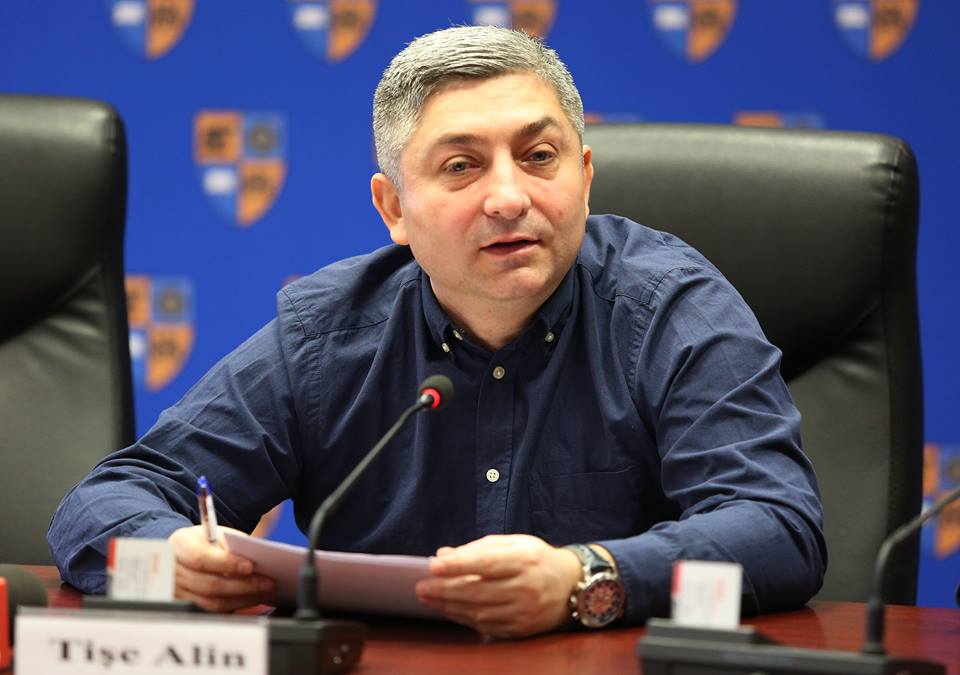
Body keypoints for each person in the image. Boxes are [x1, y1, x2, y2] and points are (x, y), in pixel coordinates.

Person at [48, 25, 826, 638]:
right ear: (393, 208)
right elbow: (108, 501)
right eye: (461, 166)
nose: (509, 197)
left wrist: (586, 575)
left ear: (585, 176)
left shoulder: (669, 307)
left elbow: (778, 526)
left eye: (539, 156)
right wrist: (171, 557)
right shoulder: (328, 333)